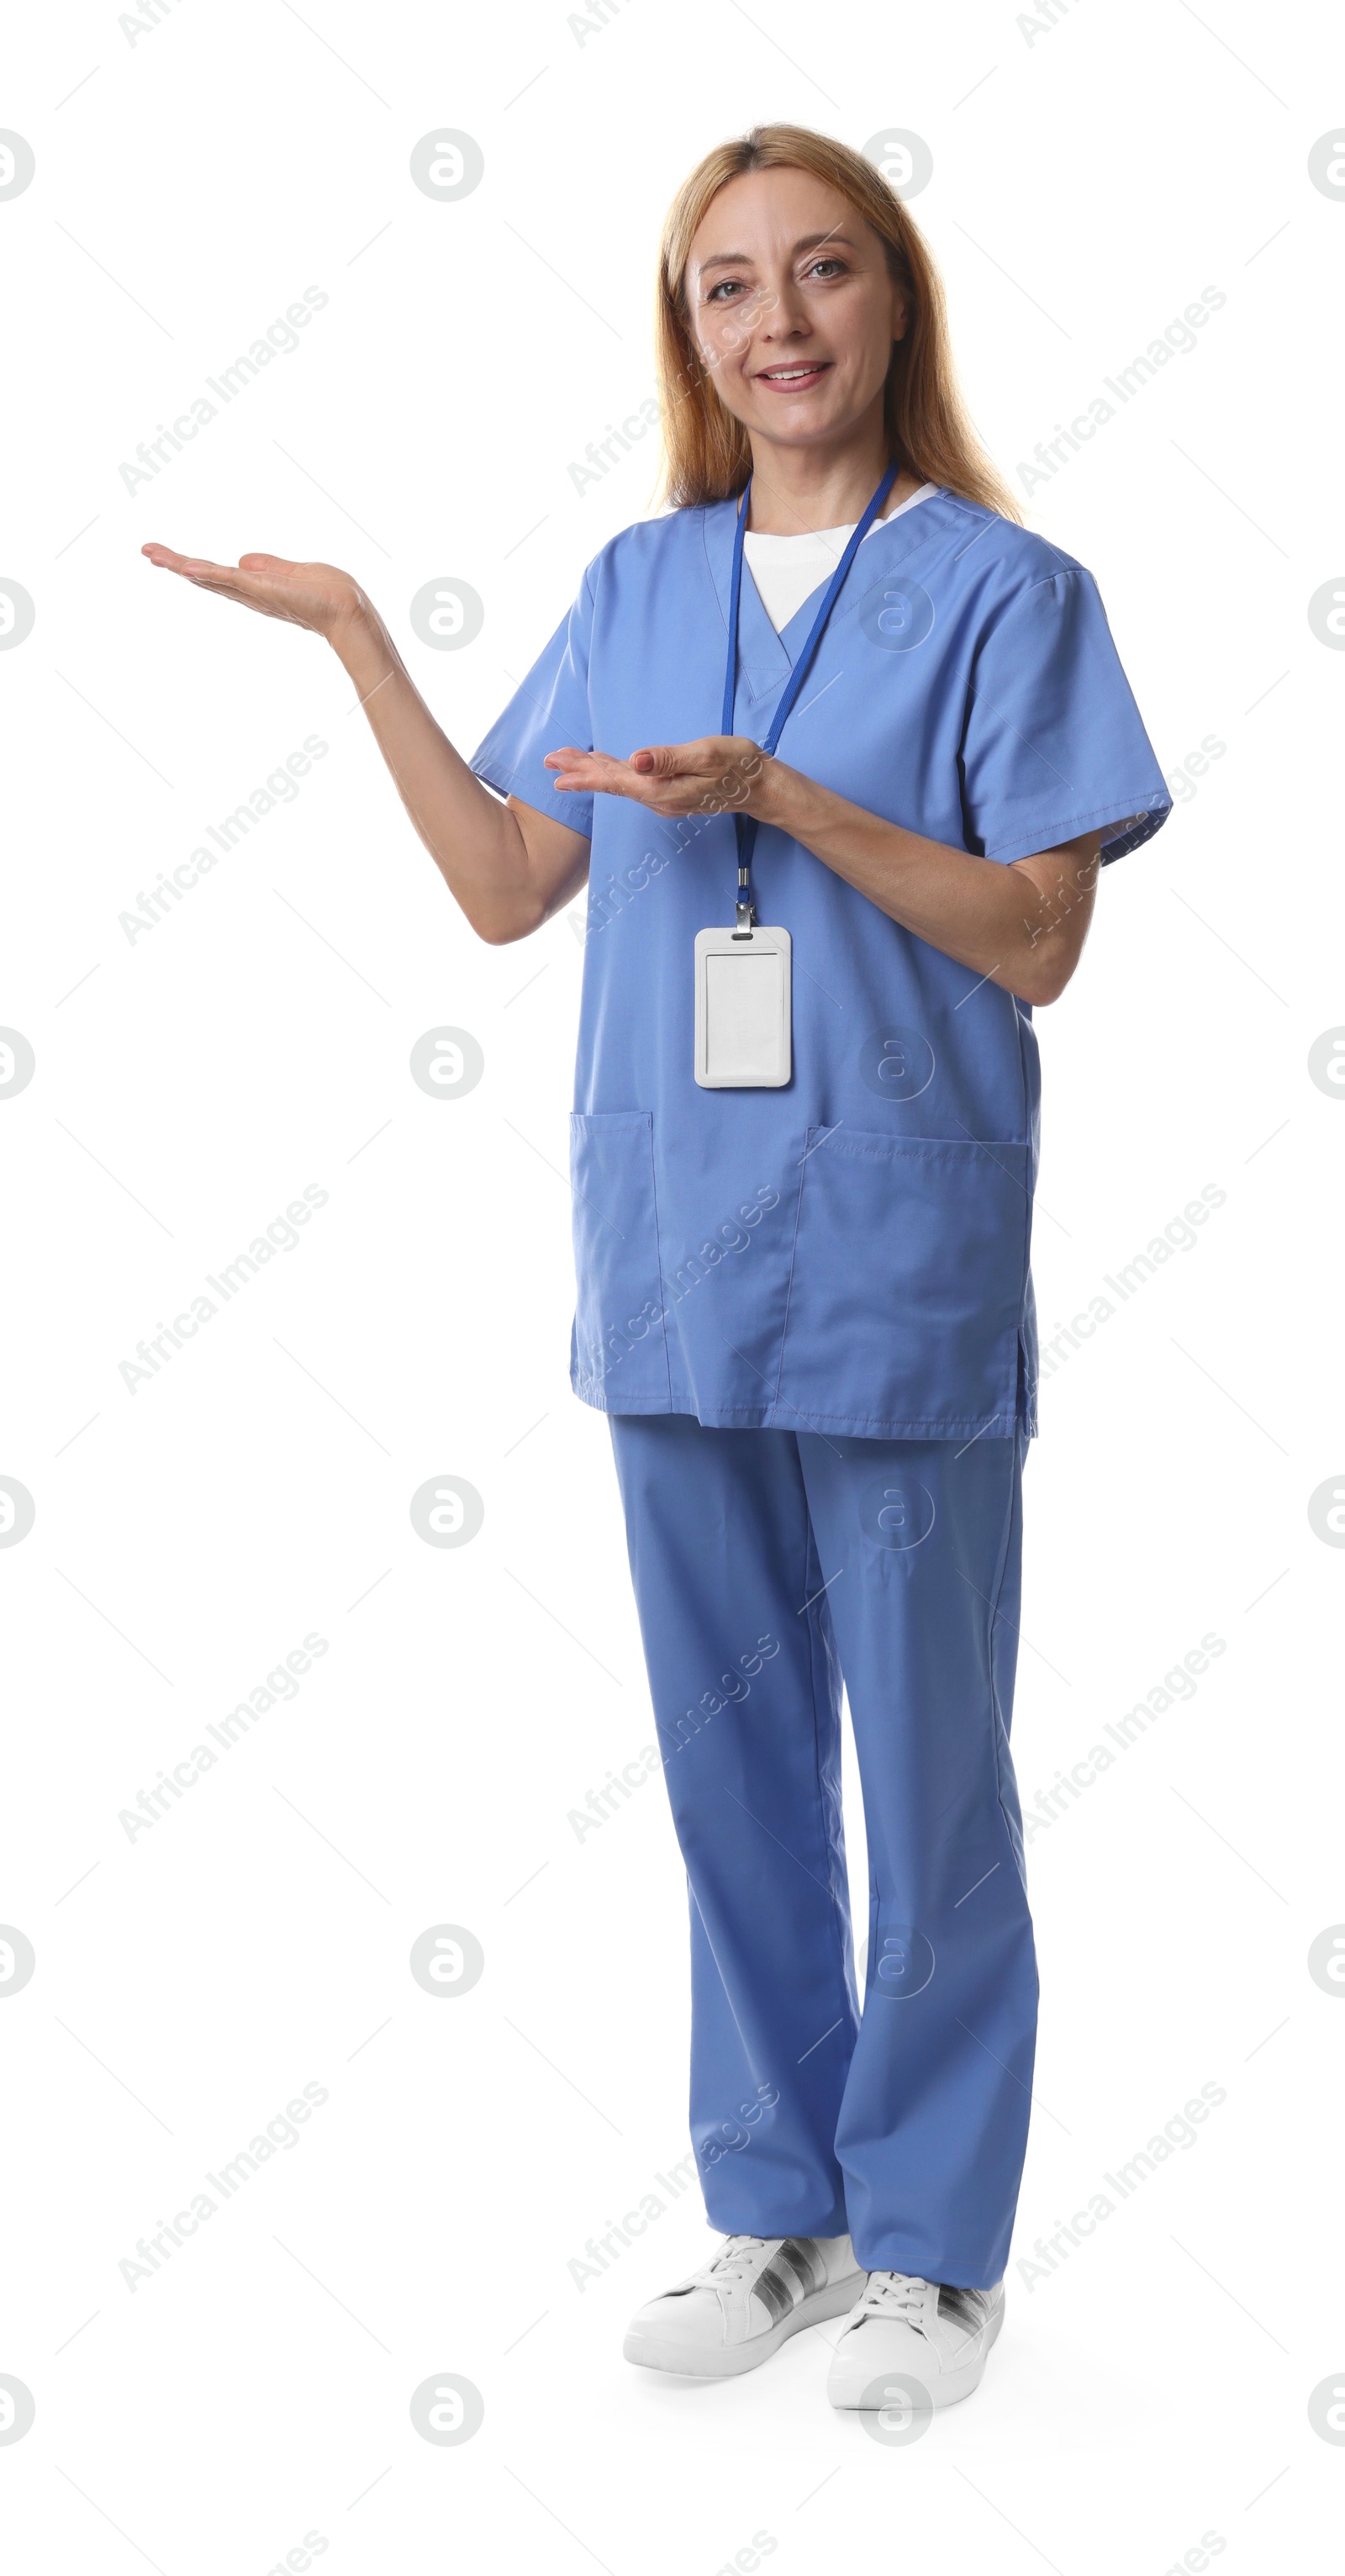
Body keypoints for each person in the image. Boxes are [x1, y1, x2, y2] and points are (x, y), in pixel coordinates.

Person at [144, 122, 1171, 2415]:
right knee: (727, 1783)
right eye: (729, 288)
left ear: (896, 301)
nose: (779, 323)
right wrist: (355, 647)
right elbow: (516, 879)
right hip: (681, 1262)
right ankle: (780, 2214)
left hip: (894, 1268)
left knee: (926, 1776)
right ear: (689, 332)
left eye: (822, 274)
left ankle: (932, 2252)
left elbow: (1036, 938)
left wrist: (790, 804)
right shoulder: (633, 580)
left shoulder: (1007, 593)